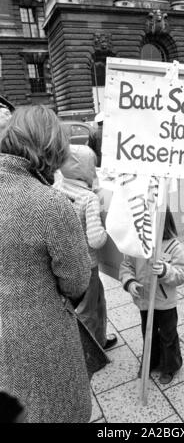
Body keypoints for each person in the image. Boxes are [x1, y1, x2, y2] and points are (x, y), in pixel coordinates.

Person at [0, 105, 93, 423]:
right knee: (56, 410)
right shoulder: (49, 203)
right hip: (39, 334)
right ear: (51, 148)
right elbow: (77, 280)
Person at [55, 144, 117, 350]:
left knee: (76, 307)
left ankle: (84, 343)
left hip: (63, 262)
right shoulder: (88, 198)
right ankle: (93, 349)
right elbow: (96, 239)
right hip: (87, 264)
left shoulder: (57, 188)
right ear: (85, 169)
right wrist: (110, 227)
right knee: (92, 306)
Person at [119, 207, 184, 385]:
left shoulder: (173, 246)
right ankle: (151, 361)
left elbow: (181, 274)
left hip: (165, 302)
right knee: (148, 333)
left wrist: (166, 270)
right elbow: (126, 266)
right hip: (144, 301)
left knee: (167, 334)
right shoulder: (135, 245)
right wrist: (130, 282)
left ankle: (170, 365)